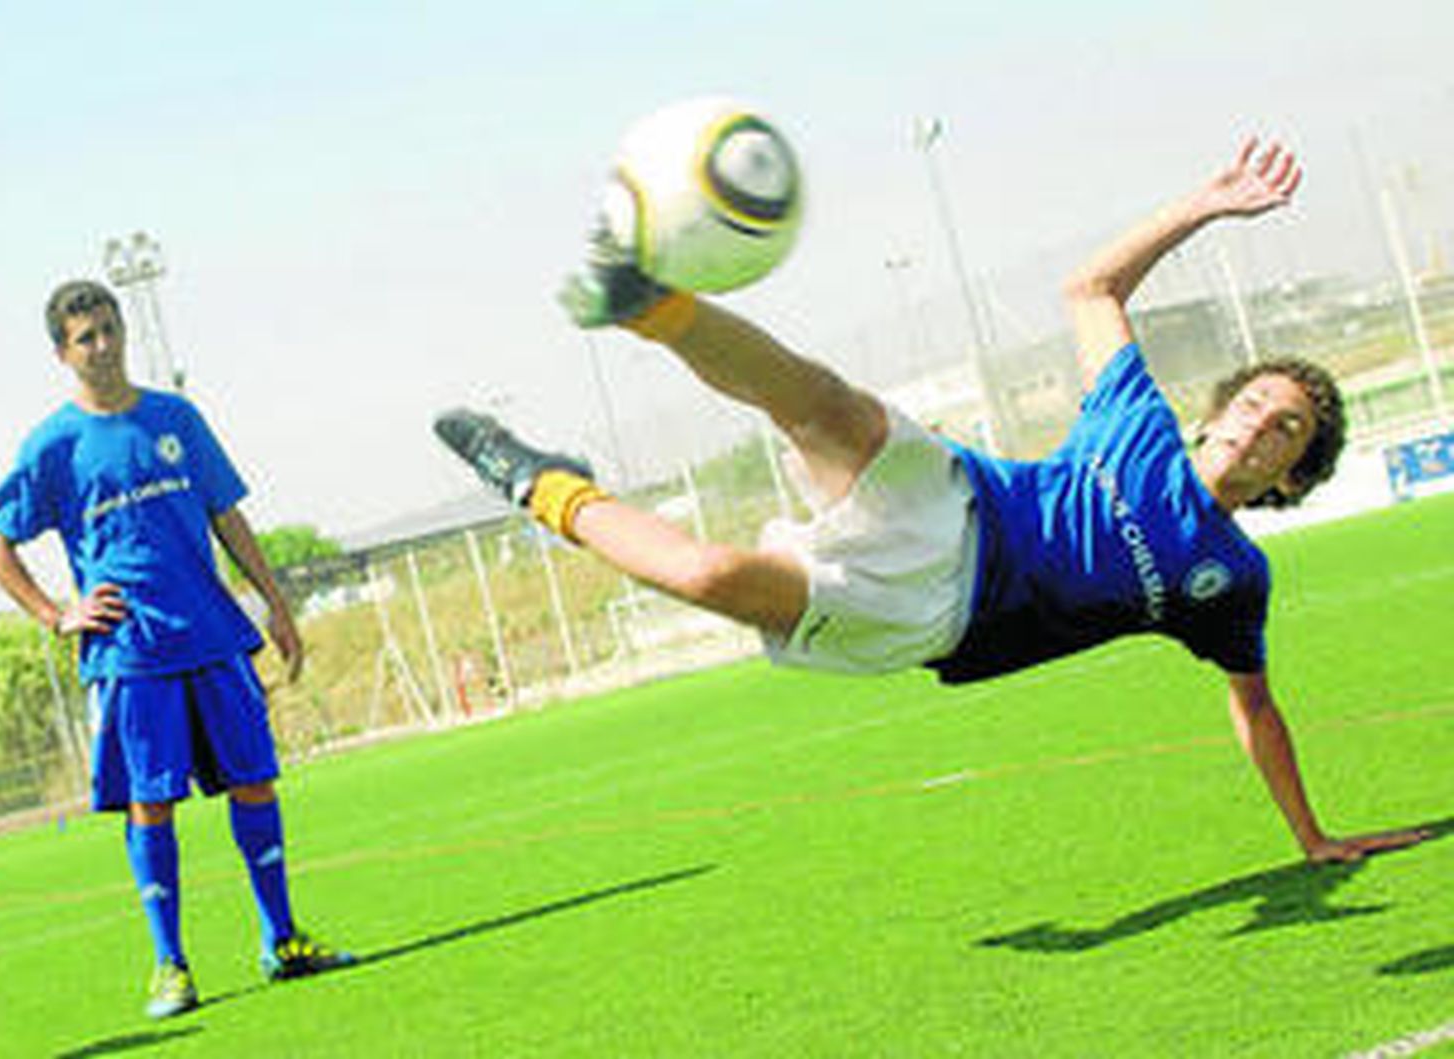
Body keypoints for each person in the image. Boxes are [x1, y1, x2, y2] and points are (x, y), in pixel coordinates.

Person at [435, 138, 1428, 866]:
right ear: (1220, 409)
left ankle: (540, 481)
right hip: (965, 500)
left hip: (936, 616)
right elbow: (1091, 290)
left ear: (1291, 477)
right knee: (824, 406)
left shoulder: (1231, 578)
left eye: (1286, 429)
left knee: (711, 576)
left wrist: (1311, 837)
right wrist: (1201, 206)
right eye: (1256, 400)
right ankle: (648, 301)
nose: (1259, 422)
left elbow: (1252, 705)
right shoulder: (1137, 417)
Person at [0, 280, 352, 1020]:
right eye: (86, 337)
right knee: (151, 804)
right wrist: (58, 614)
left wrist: (275, 604)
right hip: (131, 652)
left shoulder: (175, 417)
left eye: (110, 328)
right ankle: (170, 966)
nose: (104, 345)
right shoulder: (52, 445)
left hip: (213, 637)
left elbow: (227, 515)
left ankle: (283, 941)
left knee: (255, 783)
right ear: (62, 353)